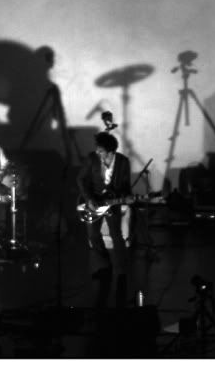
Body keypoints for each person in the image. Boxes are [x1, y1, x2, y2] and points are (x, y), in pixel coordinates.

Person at [77, 132, 132, 308]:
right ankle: (105, 266)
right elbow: (81, 179)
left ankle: (121, 271)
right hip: (94, 203)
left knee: (117, 236)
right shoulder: (92, 159)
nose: (97, 152)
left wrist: (125, 196)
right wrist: (88, 199)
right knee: (93, 236)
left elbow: (125, 185)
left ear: (110, 151)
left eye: (100, 150)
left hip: (112, 202)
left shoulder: (123, 162)